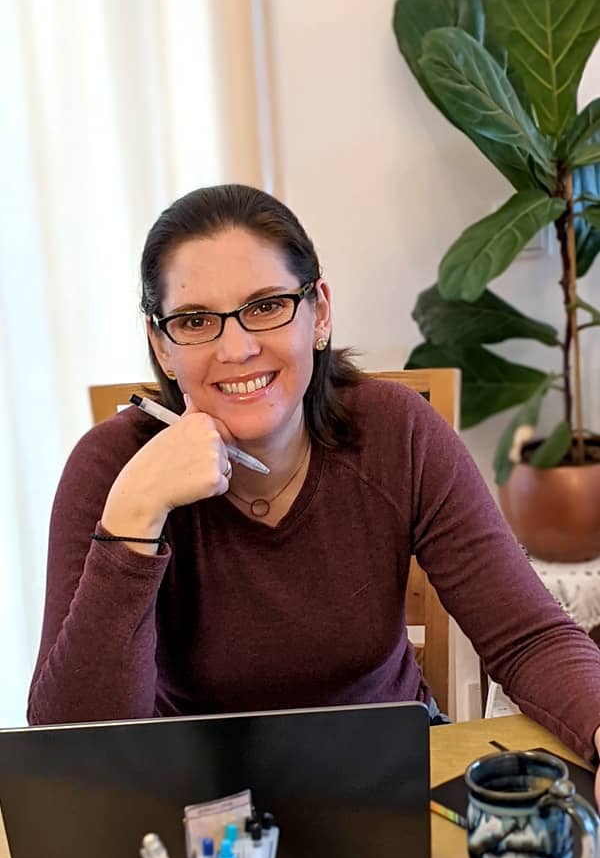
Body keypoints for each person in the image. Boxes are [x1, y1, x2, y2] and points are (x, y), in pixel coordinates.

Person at [29, 184, 600, 798]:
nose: (237, 347)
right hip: (198, 806)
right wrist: (135, 517)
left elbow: (528, 636)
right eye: (195, 321)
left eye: (267, 305)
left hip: (387, 780)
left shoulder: (398, 432)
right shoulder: (110, 468)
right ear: (161, 344)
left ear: (318, 311)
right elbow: (72, 749)